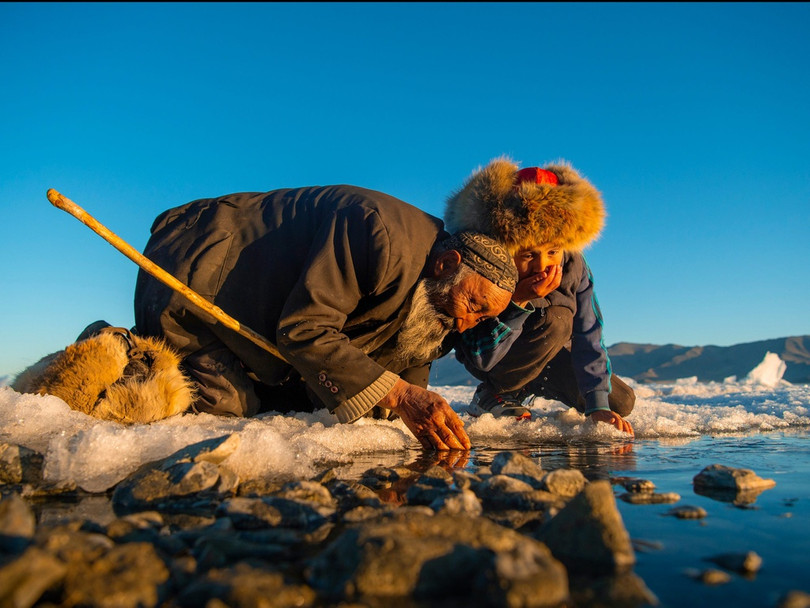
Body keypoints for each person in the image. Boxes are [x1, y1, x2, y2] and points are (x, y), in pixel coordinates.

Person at [134, 184, 518, 450]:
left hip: (261, 315)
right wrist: (401, 397)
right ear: (446, 264)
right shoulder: (376, 233)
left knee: (301, 413)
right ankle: (120, 350)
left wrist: (408, 417)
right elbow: (305, 329)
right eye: (474, 306)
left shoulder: (441, 296)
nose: (468, 324)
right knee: (227, 421)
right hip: (195, 276)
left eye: (484, 318)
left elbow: (410, 360)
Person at [443, 158, 635, 435]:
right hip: (493, 358)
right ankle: (495, 394)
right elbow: (479, 356)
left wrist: (597, 406)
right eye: (529, 254)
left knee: (620, 401)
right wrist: (518, 301)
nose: (542, 265)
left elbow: (589, 334)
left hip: (548, 353)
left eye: (553, 251)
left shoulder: (574, 266)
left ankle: (530, 386)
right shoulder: (487, 264)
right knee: (555, 319)